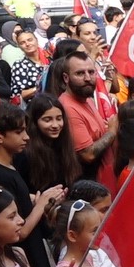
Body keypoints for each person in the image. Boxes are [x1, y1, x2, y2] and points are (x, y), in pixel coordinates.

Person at [0, 103, 63, 267]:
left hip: (35, 252)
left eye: (25, 130)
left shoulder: (10, 166)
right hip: (25, 259)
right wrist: (41, 205)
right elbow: (19, 232)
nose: (26, 137)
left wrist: (38, 203)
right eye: (18, 132)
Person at [57, 51, 118, 181]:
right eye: (80, 73)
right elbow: (88, 154)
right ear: (66, 78)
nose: (87, 78)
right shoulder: (68, 108)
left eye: (91, 72)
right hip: (89, 182)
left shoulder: (87, 99)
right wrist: (112, 132)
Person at [23, 94, 82, 193]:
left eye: (59, 119)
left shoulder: (64, 148)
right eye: (47, 120)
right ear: (34, 122)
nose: (55, 125)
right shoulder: (25, 154)